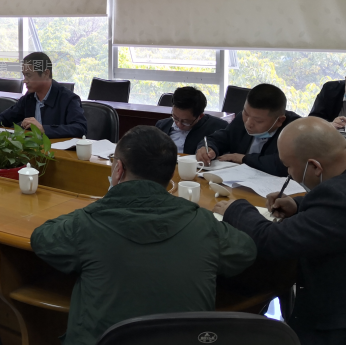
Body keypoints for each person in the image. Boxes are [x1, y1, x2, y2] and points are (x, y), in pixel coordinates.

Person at [31, 126, 256, 345]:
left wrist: (99, 206)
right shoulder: (203, 223)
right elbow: (245, 251)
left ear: (118, 169)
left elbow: (42, 238)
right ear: (171, 174)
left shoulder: (87, 222)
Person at [215, 117, 346, 345]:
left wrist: (236, 209)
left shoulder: (340, 201)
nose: (289, 173)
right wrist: (299, 205)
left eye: (288, 166)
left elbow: (271, 241)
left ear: (315, 166)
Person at [0, 52, 87, 138]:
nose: (24, 81)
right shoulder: (29, 97)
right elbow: (7, 117)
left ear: (46, 73)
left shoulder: (68, 99)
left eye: (28, 75)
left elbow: (80, 128)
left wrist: (44, 129)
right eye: (24, 75)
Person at [196, 84, 300, 176]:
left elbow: (284, 165)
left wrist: (243, 159)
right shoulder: (242, 119)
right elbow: (222, 137)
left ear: (279, 121)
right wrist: (209, 148)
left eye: (258, 121)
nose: (248, 123)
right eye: (245, 113)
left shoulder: (296, 129)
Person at [155, 86, 228, 154]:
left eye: (185, 122)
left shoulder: (218, 127)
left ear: (200, 116)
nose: (179, 124)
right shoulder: (162, 125)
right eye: (175, 118)